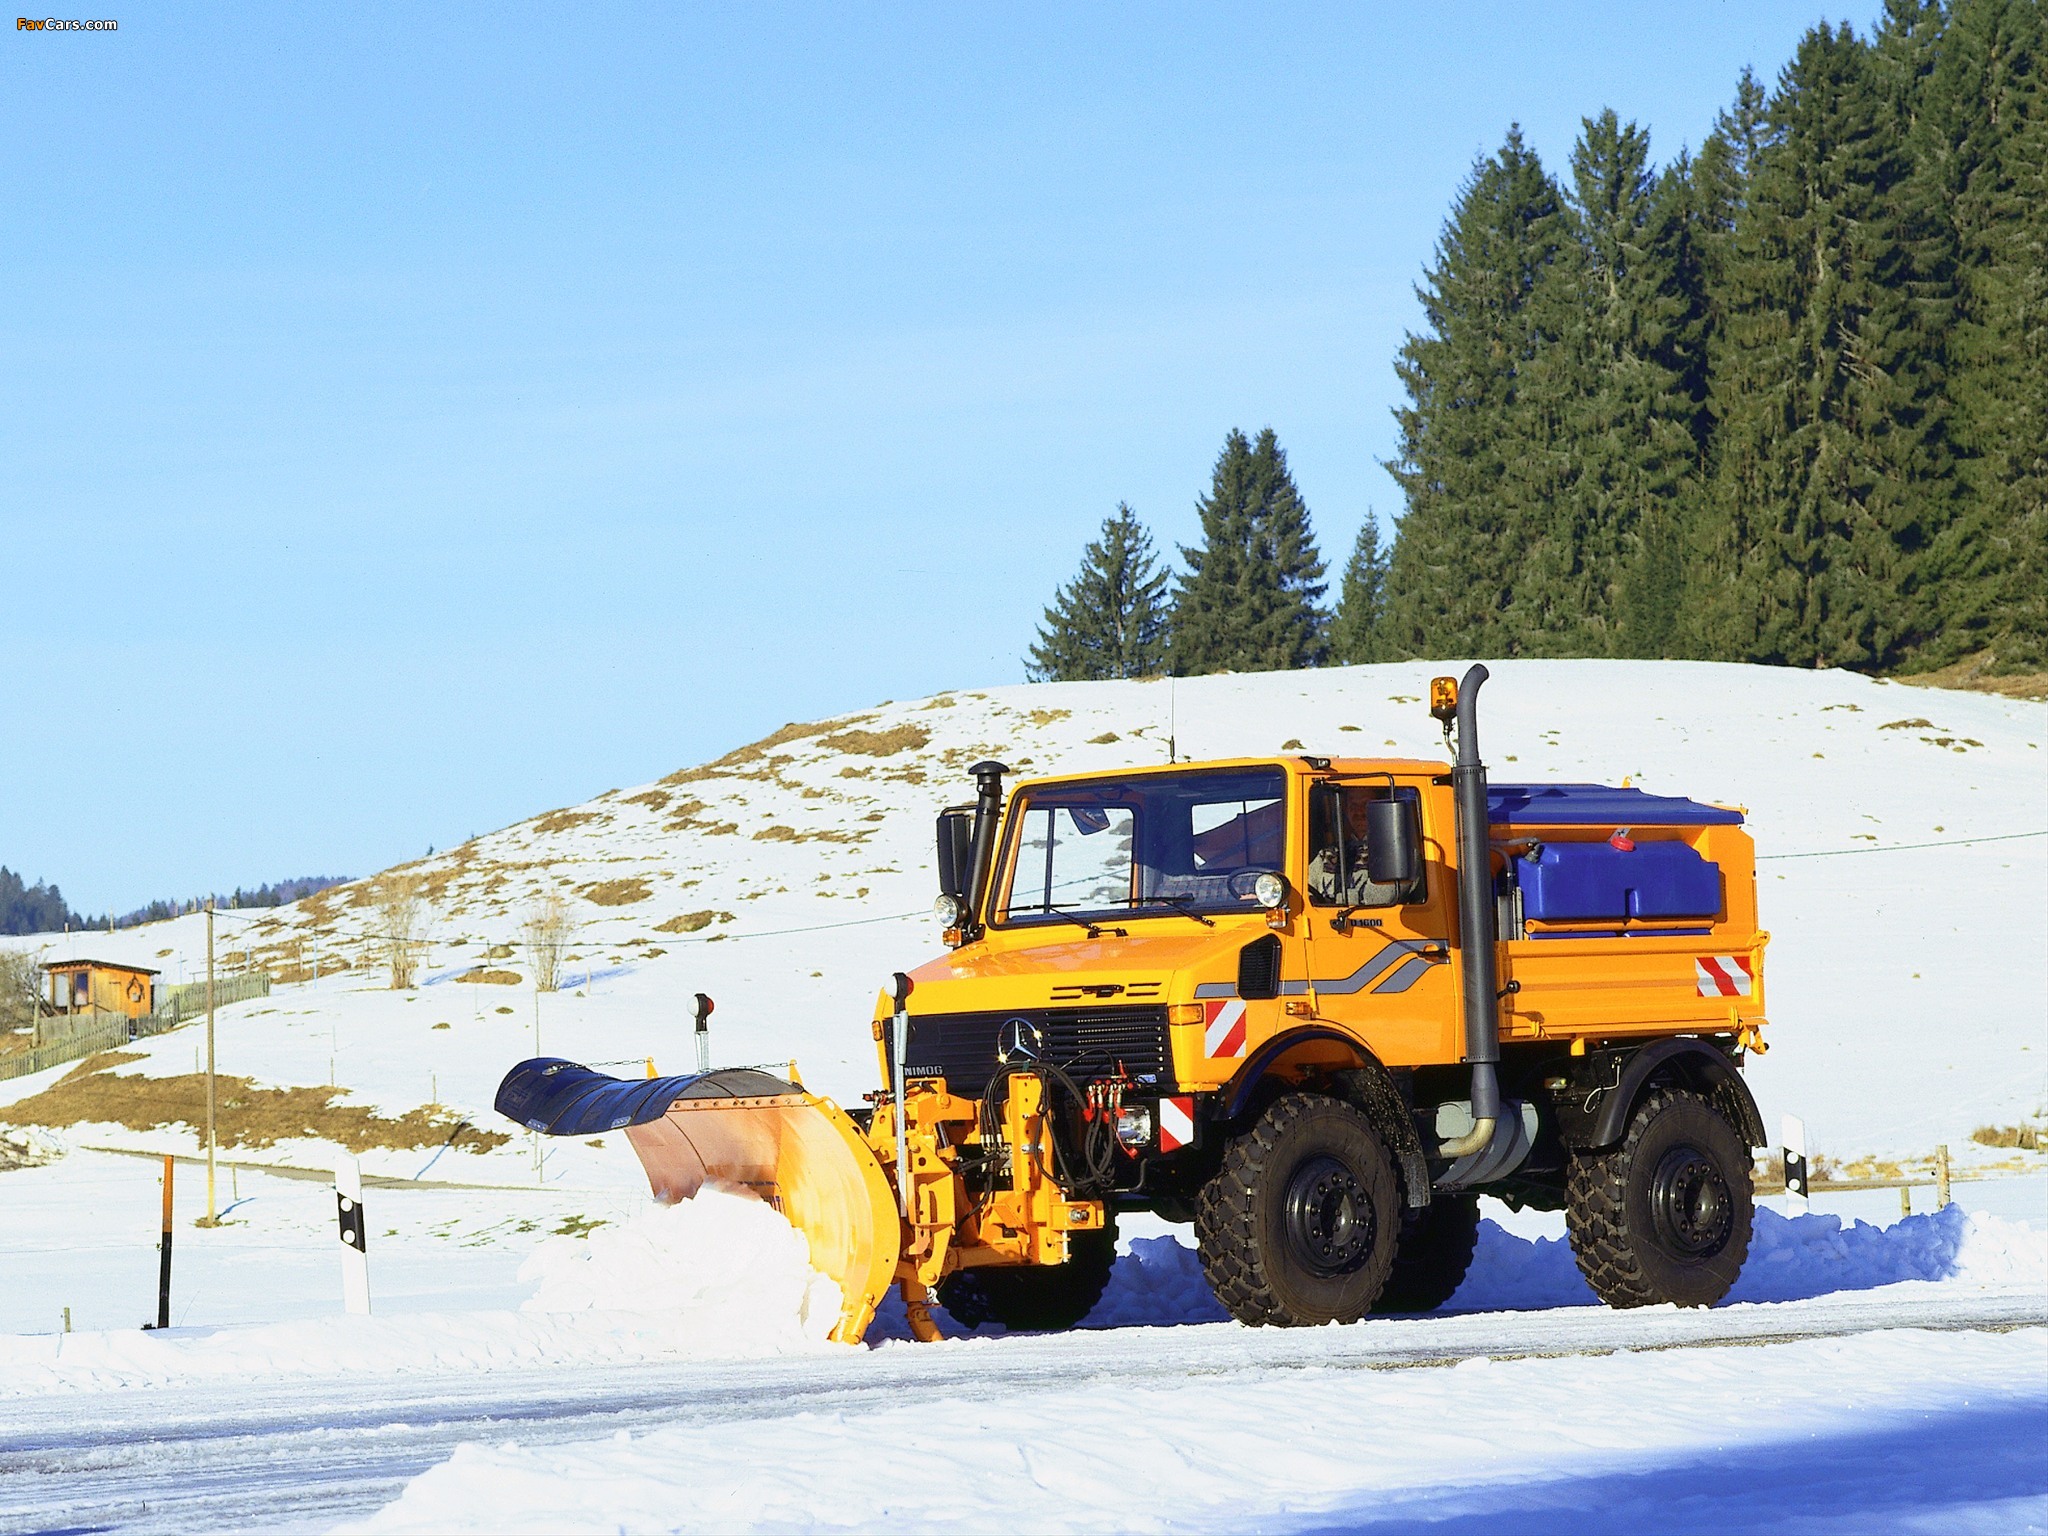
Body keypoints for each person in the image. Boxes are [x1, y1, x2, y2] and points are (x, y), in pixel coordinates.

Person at [1309, 788, 1411, 907]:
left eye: (1365, 804)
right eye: (1353, 805)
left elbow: (1377, 900)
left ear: (1383, 809)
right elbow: (1304, 890)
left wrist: (1328, 902)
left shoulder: (1398, 853)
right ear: (1346, 810)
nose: (1359, 812)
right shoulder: (1328, 854)